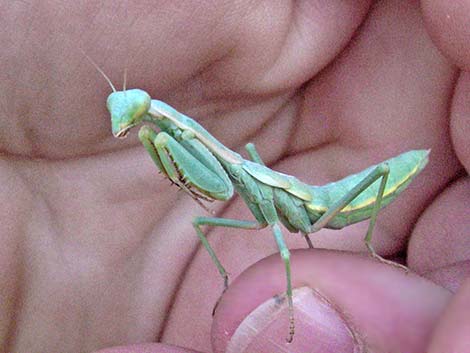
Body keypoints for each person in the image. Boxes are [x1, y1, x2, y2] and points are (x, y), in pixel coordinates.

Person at [1, 1, 468, 352]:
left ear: (154, 112)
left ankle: (360, 256)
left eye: (137, 115)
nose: (129, 126)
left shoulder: (181, 139)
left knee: (297, 239)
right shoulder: (160, 139)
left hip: (332, 205)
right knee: (204, 223)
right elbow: (211, 182)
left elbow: (225, 188)